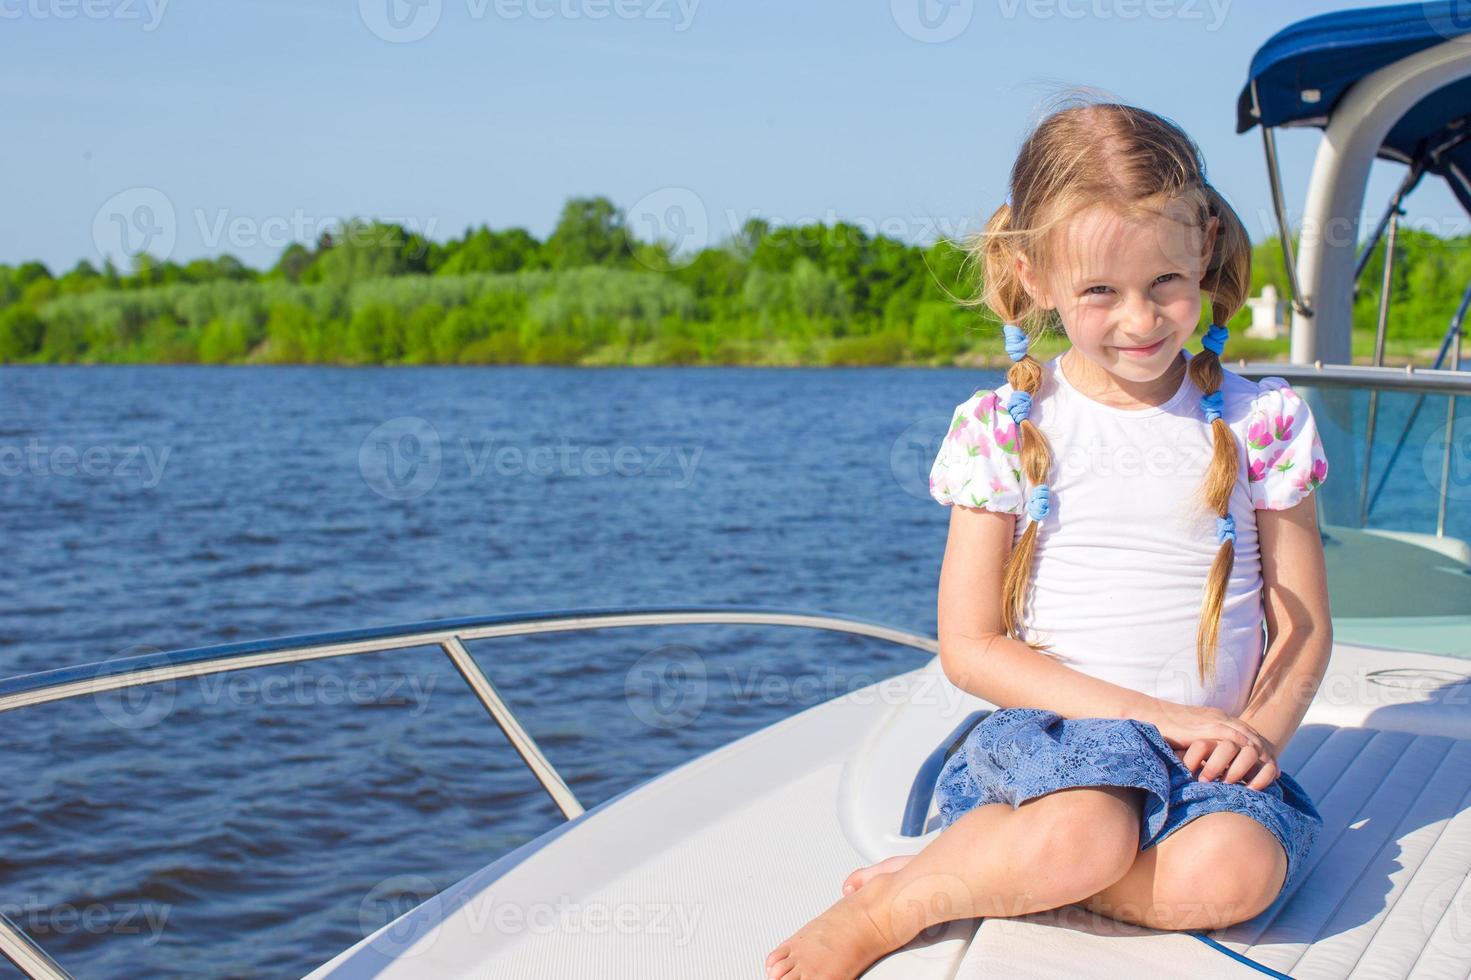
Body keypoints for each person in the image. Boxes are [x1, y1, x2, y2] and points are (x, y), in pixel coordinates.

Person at [764, 99, 1331, 980]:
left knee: (1237, 873)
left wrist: (1253, 734)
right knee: (1087, 829)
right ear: (1033, 276)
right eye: (1099, 291)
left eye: (1165, 285)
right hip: (1063, 745)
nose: (1139, 321)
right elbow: (969, 647)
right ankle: (903, 903)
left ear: (1206, 250)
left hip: (1206, 747)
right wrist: (1160, 718)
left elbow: (1304, 631)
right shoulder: (1003, 426)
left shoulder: (1263, 420)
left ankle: (976, 868)